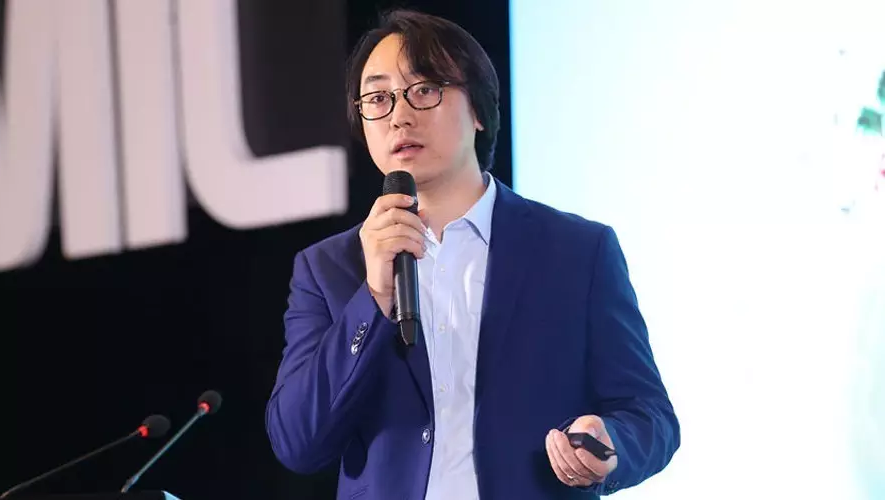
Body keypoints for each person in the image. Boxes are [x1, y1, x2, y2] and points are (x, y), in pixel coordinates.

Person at [266, 9, 679, 500]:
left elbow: (649, 415)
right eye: (377, 98)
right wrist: (373, 296)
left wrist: (611, 443)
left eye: (424, 89)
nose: (399, 115)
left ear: (479, 110)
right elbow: (296, 441)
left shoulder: (577, 252)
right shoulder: (328, 268)